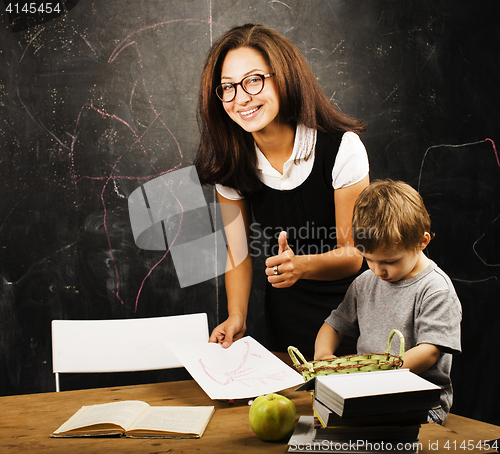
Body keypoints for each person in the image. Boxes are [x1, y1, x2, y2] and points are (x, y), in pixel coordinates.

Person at [194, 24, 369, 362]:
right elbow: (239, 253)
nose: (241, 98)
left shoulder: (341, 148)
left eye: (254, 80)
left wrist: (300, 265)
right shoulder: (232, 163)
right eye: (227, 87)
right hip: (284, 320)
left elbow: (353, 254)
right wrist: (237, 316)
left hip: (352, 316)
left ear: (284, 76)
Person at [314, 179, 462, 423]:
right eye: (369, 259)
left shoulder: (435, 289)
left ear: (421, 242)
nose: (377, 270)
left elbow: (429, 352)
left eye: (389, 262)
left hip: (419, 403)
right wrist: (323, 355)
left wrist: (376, 374)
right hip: (365, 394)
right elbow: (334, 325)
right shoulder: (364, 283)